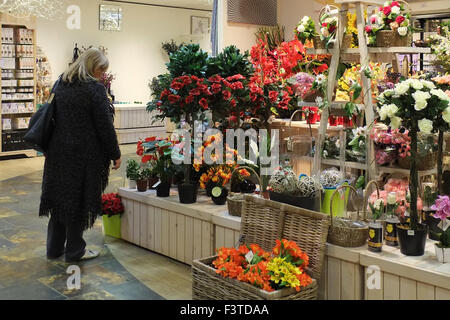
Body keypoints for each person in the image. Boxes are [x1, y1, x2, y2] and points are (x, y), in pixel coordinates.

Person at [40, 47, 121, 262]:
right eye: (99, 70)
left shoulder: (61, 83)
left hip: (58, 152)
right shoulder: (94, 89)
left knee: (59, 199)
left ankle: (54, 249)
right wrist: (115, 154)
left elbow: (51, 116)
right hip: (85, 155)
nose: (101, 75)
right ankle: (75, 251)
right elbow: (105, 127)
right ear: (90, 66)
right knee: (78, 200)